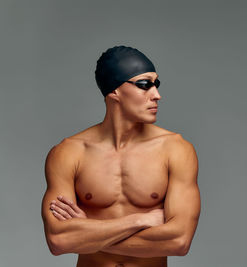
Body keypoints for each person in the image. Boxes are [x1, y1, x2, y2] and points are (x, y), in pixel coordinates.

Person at [41, 45, 201, 267]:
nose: (157, 95)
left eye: (157, 84)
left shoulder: (176, 150)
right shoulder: (69, 153)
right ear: (114, 91)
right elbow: (59, 240)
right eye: (144, 85)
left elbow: (178, 241)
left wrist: (87, 234)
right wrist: (139, 220)